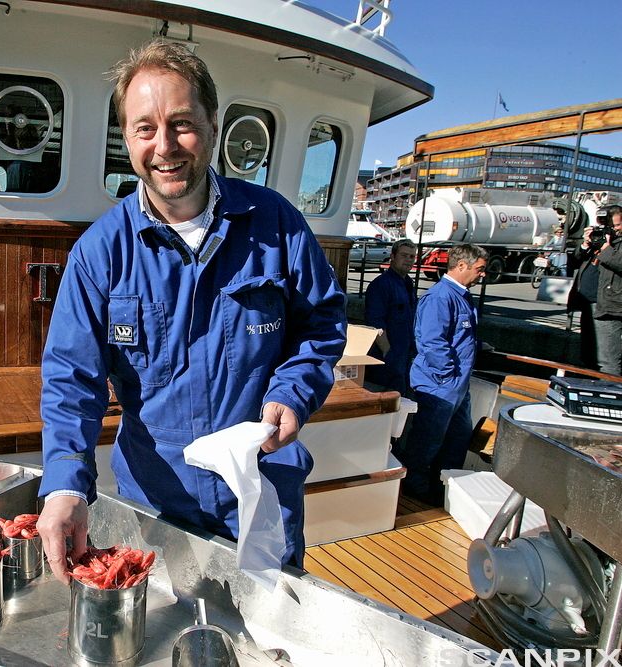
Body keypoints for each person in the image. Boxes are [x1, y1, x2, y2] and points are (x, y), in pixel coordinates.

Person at [35, 40, 347, 582]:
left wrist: (293, 390)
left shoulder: (277, 224)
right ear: (126, 137)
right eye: (145, 128)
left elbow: (319, 326)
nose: (165, 146)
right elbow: (71, 380)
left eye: (181, 123)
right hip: (157, 509)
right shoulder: (99, 253)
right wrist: (64, 485)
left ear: (213, 123)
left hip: (262, 496)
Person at [396, 244, 487, 505]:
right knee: (428, 441)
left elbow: (458, 337)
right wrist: (448, 375)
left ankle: (444, 485)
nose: (483, 275)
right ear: (461, 266)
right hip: (441, 385)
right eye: (479, 269)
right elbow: (432, 342)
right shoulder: (440, 297)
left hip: (456, 385)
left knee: (458, 438)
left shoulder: (460, 296)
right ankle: (416, 490)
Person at [363, 239, 418, 394]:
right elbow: (375, 321)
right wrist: (388, 352)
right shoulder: (380, 285)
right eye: (404, 255)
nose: (408, 260)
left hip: (405, 355)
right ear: (393, 256)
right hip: (388, 356)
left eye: (412, 257)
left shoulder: (408, 284)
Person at [568, 223, 603, 370]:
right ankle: (587, 370)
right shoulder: (594, 246)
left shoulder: (613, 246)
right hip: (586, 299)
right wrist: (585, 243)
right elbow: (574, 260)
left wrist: (606, 246)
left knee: (601, 348)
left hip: (602, 300)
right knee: (588, 343)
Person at [593, 205, 622, 375]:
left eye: (617, 226)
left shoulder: (611, 245)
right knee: (604, 361)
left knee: (609, 364)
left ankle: (609, 396)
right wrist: (587, 244)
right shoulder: (609, 241)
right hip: (605, 305)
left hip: (614, 306)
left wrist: (606, 250)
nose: (614, 229)